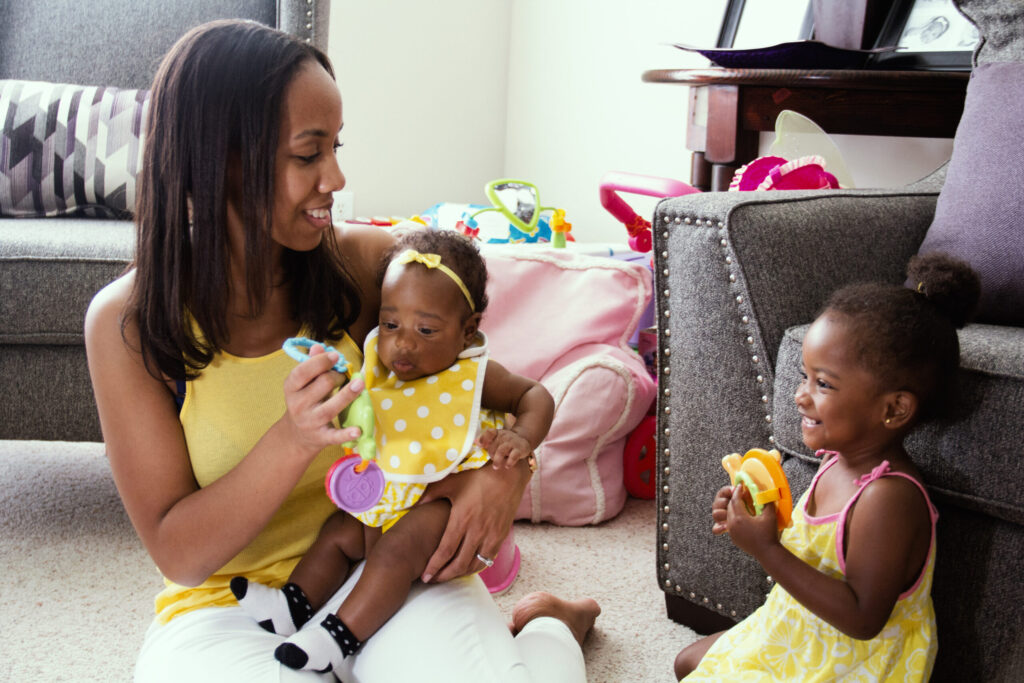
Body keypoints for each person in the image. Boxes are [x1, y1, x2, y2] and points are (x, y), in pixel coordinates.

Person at [84, 19, 598, 683]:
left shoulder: (369, 265)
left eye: (336, 147)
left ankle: (551, 624)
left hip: (389, 565)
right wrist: (292, 439)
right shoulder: (128, 323)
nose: (336, 176)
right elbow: (180, 552)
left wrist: (504, 473)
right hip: (228, 605)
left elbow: (488, 386)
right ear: (226, 159)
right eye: (308, 154)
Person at [229, 229, 555, 672]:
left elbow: (535, 394)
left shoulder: (474, 374)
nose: (403, 343)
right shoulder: (380, 367)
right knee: (339, 534)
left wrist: (523, 438)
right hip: (390, 498)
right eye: (390, 325)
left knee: (395, 552)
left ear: (467, 331)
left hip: (442, 502)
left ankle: (337, 636)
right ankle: (295, 604)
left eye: (426, 329)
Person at [674, 252, 980, 681]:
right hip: (802, 632)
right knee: (689, 661)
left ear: (893, 409)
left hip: (848, 663)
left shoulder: (888, 497)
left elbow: (861, 618)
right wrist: (760, 519)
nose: (800, 395)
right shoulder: (836, 461)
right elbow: (820, 553)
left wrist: (766, 549)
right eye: (804, 376)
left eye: (823, 384)